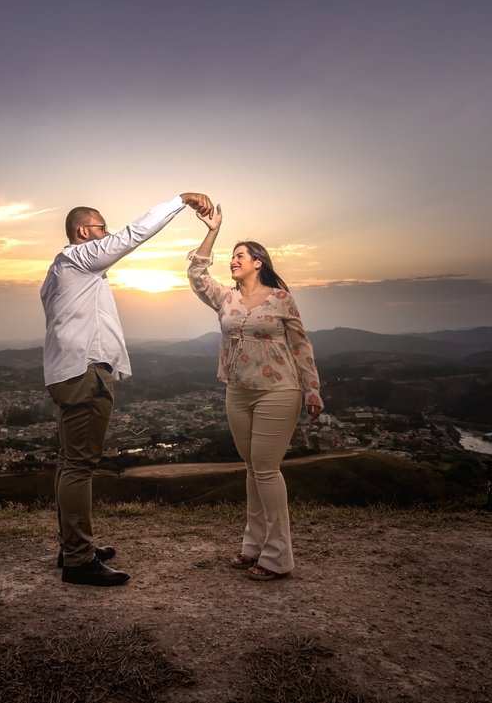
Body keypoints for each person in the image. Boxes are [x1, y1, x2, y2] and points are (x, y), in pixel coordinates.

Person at [41, 192, 214, 586]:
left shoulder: (61, 272)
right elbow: (132, 235)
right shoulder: (79, 259)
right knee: (80, 464)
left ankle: (72, 546)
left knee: (68, 460)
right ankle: (79, 560)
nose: (108, 234)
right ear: (84, 231)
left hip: (68, 371)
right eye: (102, 228)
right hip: (84, 372)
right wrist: (180, 200)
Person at [186, 205, 323, 580]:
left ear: (258, 262)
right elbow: (197, 273)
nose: (233, 261)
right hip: (237, 391)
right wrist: (213, 231)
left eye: (240, 256)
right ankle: (253, 544)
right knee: (252, 468)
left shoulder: (280, 299)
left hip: (279, 390)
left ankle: (278, 557)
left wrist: (312, 389)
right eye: (231, 257)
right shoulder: (225, 298)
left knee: (265, 470)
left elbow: (300, 345)